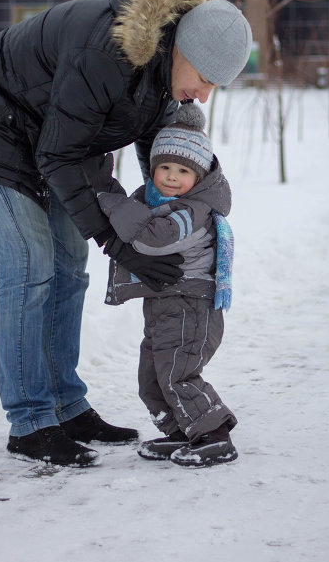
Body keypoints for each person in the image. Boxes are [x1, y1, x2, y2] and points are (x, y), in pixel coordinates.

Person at [0, 0, 252, 467]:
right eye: (206, 79)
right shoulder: (109, 54)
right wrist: (118, 243)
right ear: (184, 52)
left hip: (52, 142)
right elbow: (57, 157)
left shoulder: (166, 74)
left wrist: (171, 221)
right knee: (31, 270)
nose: (205, 95)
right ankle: (31, 422)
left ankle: (67, 405)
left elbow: (159, 155)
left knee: (69, 267)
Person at [98, 101, 238, 468]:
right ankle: (181, 432)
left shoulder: (194, 210)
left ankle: (214, 435)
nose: (172, 177)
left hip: (191, 303)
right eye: (164, 168)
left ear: (199, 175)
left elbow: (150, 240)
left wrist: (114, 205)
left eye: (182, 170)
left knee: (178, 373)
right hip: (164, 303)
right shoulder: (156, 201)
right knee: (152, 376)